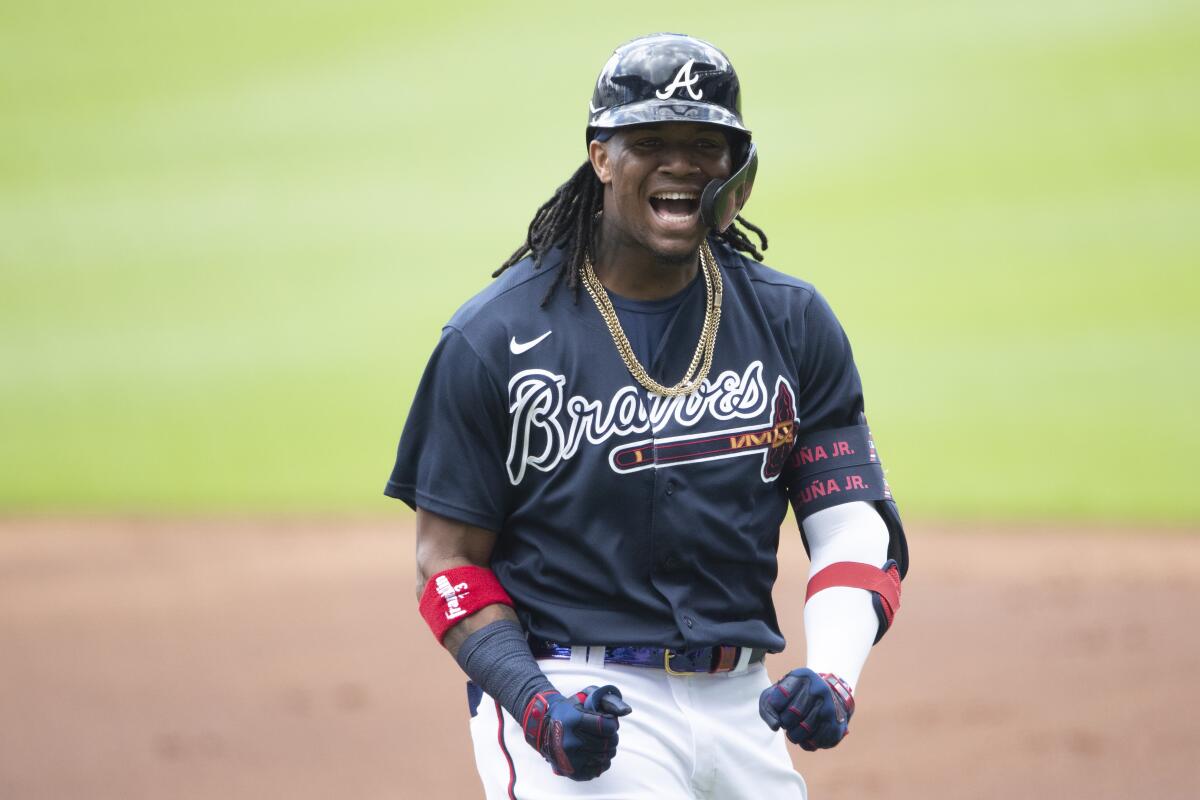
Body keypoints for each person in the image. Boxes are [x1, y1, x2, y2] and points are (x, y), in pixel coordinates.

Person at [385, 32, 909, 800]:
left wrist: (833, 674)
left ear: (739, 171)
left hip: (743, 704)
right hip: (576, 691)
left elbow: (852, 521)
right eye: (651, 140)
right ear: (600, 156)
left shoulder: (792, 322)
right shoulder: (493, 338)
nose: (683, 162)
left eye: (708, 143)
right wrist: (537, 706)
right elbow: (448, 563)